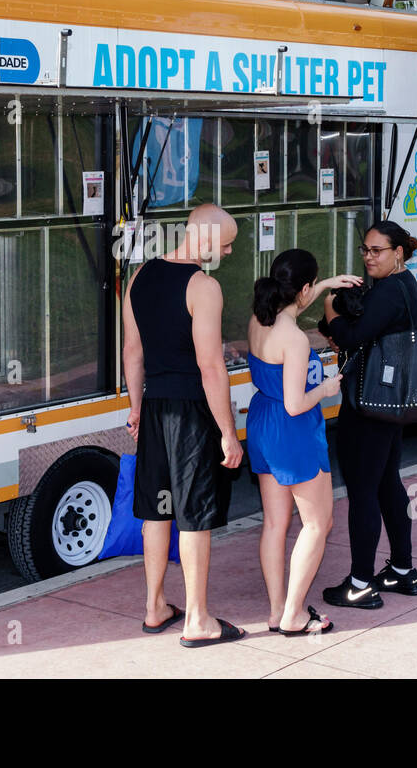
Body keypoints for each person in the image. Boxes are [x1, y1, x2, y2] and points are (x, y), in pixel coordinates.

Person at [122, 203, 246, 647]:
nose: (230, 252)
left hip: (155, 407)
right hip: (192, 412)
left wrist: (137, 407)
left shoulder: (139, 277)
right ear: (208, 239)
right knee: (194, 513)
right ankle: (197, 619)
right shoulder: (203, 287)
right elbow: (210, 366)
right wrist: (228, 432)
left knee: (158, 510)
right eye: (227, 243)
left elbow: (132, 353)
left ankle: (155, 607)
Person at [246, 249, 361, 636]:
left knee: (275, 524)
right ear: (304, 289)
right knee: (318, 522)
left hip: (262, 424)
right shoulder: (294, 339)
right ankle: (295, 614)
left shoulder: (259, 321)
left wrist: (327, 283)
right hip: (292, 430)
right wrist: (327, 388)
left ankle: (278, 610)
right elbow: (296, 404)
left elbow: (297, 298)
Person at [320, 220, 417, 609]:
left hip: (370, 404)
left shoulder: (389, 292)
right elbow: (363, 331)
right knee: (385, 484)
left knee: (363, 491)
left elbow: (350, 336)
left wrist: (330, 308)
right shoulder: (402, 283)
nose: (368, 257)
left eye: (376, 251)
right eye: (365, 249)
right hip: (389, 401)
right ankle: (401, 570)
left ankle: (361, 583)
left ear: (397, 252)